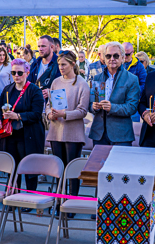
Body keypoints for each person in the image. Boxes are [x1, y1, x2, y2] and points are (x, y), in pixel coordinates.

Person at [0, 58, 44, 212]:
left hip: (28, 134)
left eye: (20, 73)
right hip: (10, 134)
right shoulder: (7, 89)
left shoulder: (34, 90)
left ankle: (29, 199)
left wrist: (18, 116)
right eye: (14, 72)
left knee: (29, 168)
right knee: (12, 166)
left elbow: (36, 114)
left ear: (27, 73)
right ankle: (13, 197)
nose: (16, 75)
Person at [46, 50, 90, 202]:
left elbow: (83, 111)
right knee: (59, 168)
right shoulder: (56, 82)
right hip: (56, 131)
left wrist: (64, 114)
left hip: (73, 133)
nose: (61, 67)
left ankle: (72, 201)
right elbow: (48, 105)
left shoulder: (82, 84)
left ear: (73, 64)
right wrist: (49, 114)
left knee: (72, 170)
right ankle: (59, 200)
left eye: (63, 64)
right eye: (59, 65)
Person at [89, 41, 140, 146]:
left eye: (116, 56)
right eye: (108, 56)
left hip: (121, 135)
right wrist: (94, 107)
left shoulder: (132, 79)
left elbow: (132, 107)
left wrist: (112, 107)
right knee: (99, 163)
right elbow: (90, 103)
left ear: (122, 58)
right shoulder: (96, 78)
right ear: (104, 58)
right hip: (99, 134)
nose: (112, 59)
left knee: (120, 163)